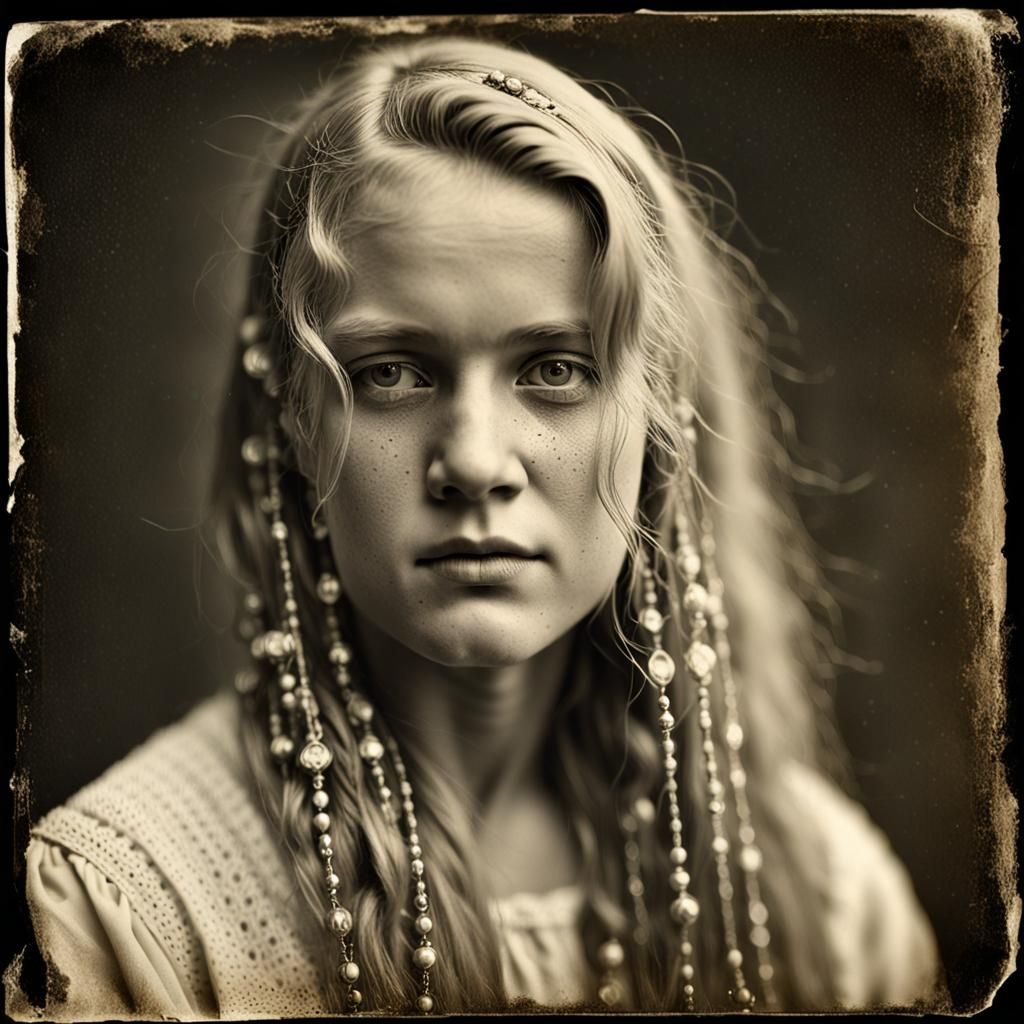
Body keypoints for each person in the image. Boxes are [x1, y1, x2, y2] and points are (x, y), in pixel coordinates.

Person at [9, 35, 942, 1018]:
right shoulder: (129, 907)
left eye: (555, 369)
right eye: (391, 372)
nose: (475, 463)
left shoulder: (823, 899)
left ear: (657, 416)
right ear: (292, 416)